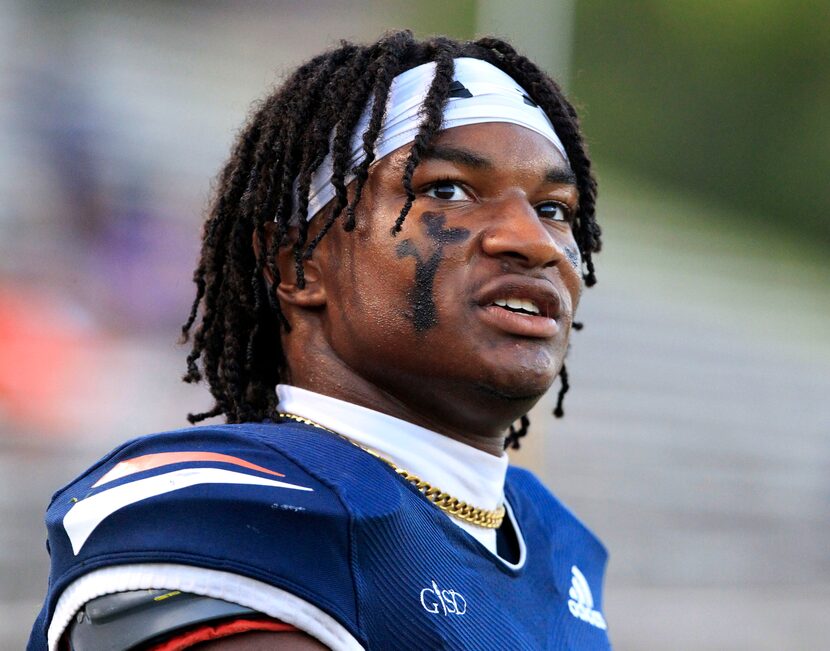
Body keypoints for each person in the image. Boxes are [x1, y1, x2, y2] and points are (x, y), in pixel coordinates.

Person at [28, 31, 608, 650]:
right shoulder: (233, 514)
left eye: (554, 208)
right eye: (447, 190)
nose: (537, 240)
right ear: (297, 266)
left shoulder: (556, 541)